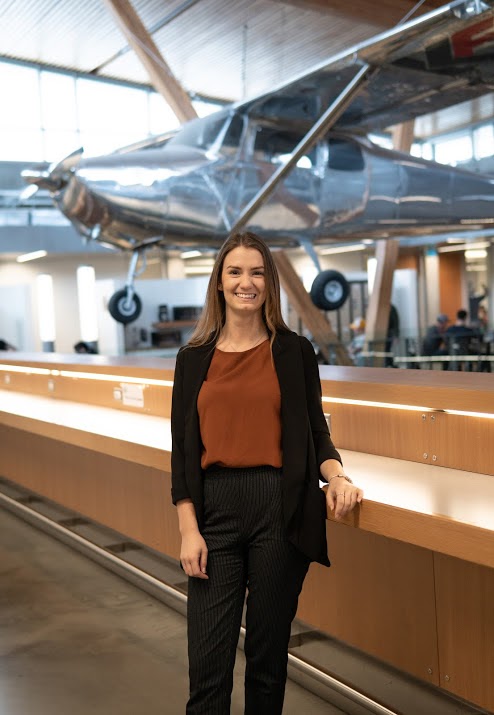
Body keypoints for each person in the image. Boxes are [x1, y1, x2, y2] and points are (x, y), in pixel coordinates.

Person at [171, 231, 363, 715]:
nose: (246, 283)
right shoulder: (193, 359)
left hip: (280, 508)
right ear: (219, 282)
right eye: (235, 272)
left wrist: (336, 475)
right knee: (208, 672)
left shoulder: (294, 351)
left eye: (256, 272)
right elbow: (182, 453)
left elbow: (314, 427)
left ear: (269, 283)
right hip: (214, 511)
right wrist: (188, 530)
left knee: (267, 665)